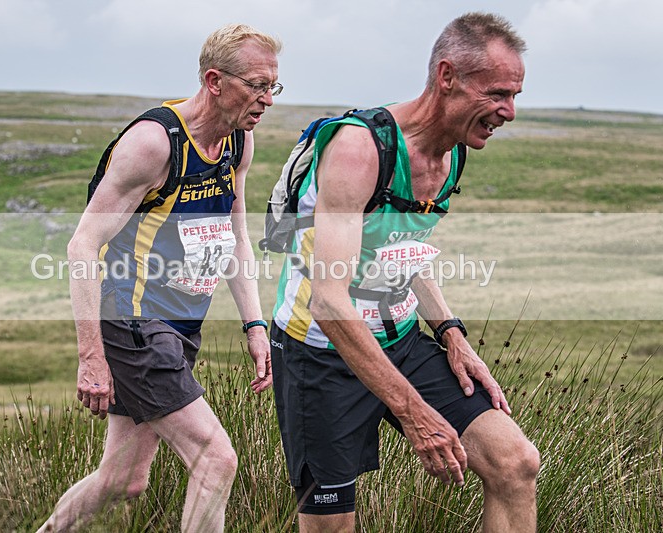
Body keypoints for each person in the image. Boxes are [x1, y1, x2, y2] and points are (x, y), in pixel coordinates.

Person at [270, 12, 540, 532]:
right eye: (498, 93)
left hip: (401, 340)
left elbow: (404, 248)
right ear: (447, 77)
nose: (509, 111)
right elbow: (328, 303)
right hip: (320, 352)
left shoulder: (453, 151)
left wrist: (451, 332)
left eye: (516, 96)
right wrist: (413, 414)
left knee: (515, 465)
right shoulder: (357, 150)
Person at [38, 24, 282, 532]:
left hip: (180, 327)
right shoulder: (154, 144)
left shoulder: (239, 142)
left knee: (122, 479)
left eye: (273, 87)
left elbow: (234, 237)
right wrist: (91, 357)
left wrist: (254, 325)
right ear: (215, 81)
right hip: (133, 321)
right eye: (257, 86)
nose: (267, 100)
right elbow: (82, 244)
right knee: (216, 459)